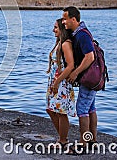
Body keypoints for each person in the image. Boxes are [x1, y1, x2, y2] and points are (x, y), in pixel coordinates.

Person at [62, 6, 97, 153]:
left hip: (88, 78)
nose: (64, 22)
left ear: (74, 19)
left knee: (82, 109)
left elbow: (90, 56)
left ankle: (84, 144)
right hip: (92, 77)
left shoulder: (82, 35)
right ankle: (92, 141)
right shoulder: (80, 33)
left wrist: (75, 73)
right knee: (90, 108)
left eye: (65, 19)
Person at [46, 18, 76, 149]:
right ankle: (63, 138)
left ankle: (63, 141)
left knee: (60, 112)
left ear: (62, 29)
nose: (53, 30)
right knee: (51, 110)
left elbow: (70, 66)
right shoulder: (59, 43)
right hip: (55, 81)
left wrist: (57, 82)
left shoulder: (65, 44)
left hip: (61, 83)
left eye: (56, 28)